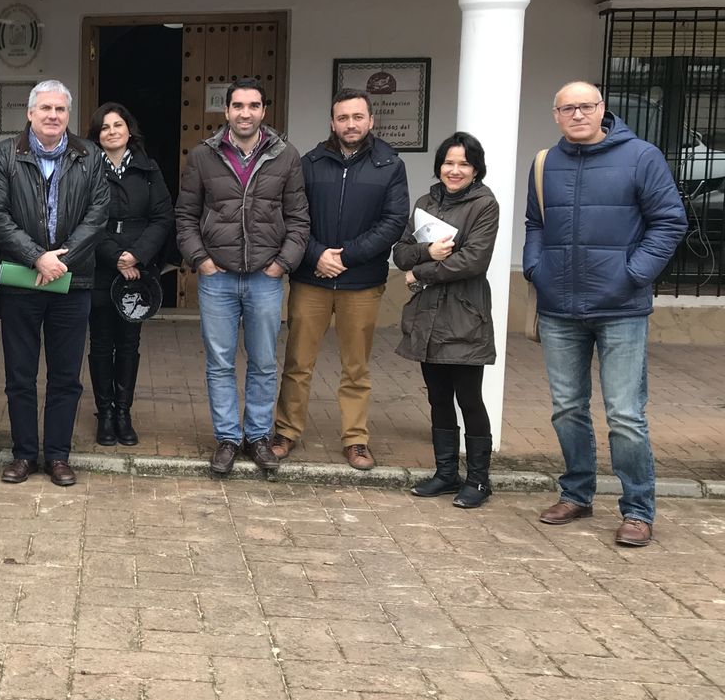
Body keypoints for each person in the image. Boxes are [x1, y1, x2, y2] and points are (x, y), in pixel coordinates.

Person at [525, 81, 687, 547]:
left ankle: (637, 510)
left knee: (625, 415)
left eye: (586, 106)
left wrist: (634, 273)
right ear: (556, 114)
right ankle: (576, 494)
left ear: (602, 109)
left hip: (621, 308)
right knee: (567, 409)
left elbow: (670, 221)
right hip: (559, 308)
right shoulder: (545, 163)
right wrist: (536, 268)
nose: (577, 115)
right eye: (567, 108)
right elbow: (536, 224)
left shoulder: (641, 157)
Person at [175, 77, 308, 477]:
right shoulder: (203, 155)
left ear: (264, 110)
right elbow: (185, 215)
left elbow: (298, 219)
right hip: (217, 277)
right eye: (237, 106)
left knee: (264, 361)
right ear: (227, 110)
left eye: (253, 106)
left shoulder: (286, 155)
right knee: (219, 362)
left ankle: (259, 437)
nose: (245, 113)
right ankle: (228, 438)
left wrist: (281, 264)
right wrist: (201, 260)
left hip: (265, 277)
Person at [273, 89, 410, 469]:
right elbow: (292, 216)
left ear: (371, 120)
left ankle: (355, 439)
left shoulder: (390, 165)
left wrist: (344, 257)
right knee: (297, 363)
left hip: (361, 282)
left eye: (357, 117)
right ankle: (285, 431)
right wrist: (317, 254)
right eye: (343, 118)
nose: (351, 124)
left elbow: (393, 222)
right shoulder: (310, 163)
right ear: (332, 122)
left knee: (356, 368)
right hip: (311, 279)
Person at [0, 80, 110, 486]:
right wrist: (37, 256)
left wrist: (61, 261)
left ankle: (57, 455)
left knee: (66, 377)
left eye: (60, 109)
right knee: (20, 376)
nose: (53, 115)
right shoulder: (4, 154)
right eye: (45, 108)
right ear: (30, 113)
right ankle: (23, 454)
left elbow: (98, 214)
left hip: (73, 283)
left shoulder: (89, 156)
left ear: (68, 115)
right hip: (21, 281)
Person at [393, 132, 501, 509]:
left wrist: (420, 273)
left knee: (469, 399)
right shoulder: (425, 203)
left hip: (464, 315)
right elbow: (401, 253)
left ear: (476, 169)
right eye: (448, 163)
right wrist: (428, 252)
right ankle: (445, 473)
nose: (455, 170)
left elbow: (473, 261)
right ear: (439, 166)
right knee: (438, 397)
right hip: (428, 316)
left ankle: (479, 480)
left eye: (464, 164)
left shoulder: (485, 205)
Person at [85, 102, 173, 447]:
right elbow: (83, 219)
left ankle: (123, 412)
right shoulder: (87, 169)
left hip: (138, 268)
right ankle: (104, 413)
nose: (112, 132)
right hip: (100, 264)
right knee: (100, 342)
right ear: (97, 135)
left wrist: (137, 255)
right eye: (104, 127)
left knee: (128, 342)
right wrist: (115, 256)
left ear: (129, 129)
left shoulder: (148, 169)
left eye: (117, 125)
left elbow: (163, 217)